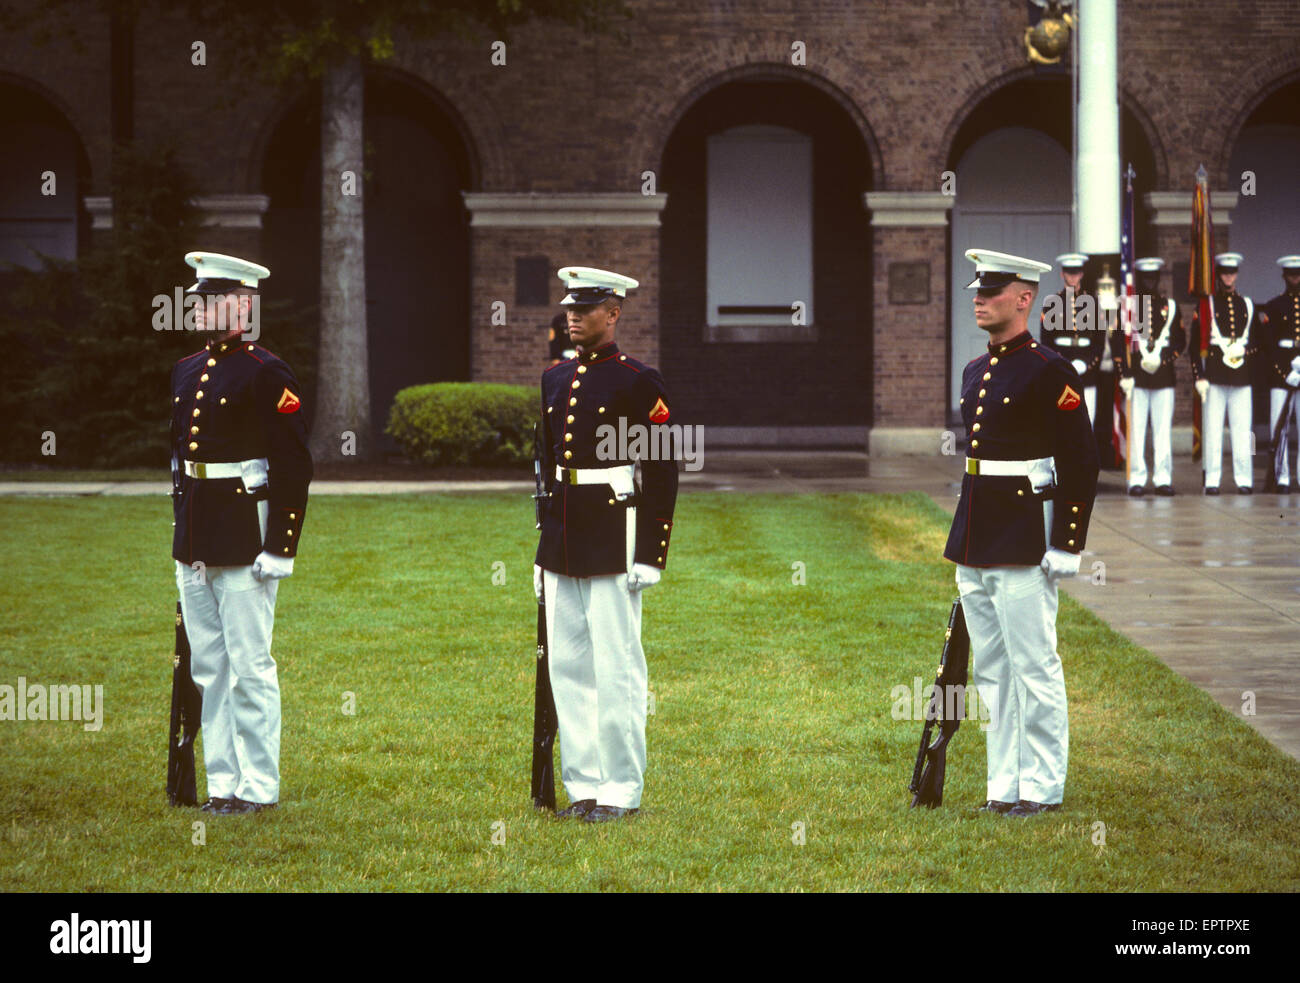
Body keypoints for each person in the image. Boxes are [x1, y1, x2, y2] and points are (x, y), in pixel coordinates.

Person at [945, 248, 1099, 818]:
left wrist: (1067, 541)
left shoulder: (1049, 371)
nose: (980, 299)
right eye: (977, 291)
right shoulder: (975, 369)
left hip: (1024, 533)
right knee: (991, 668)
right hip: (977, 530)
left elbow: (1081, 460)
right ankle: (1003, 783)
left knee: (1033, 664)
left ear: (1024, 298)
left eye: (992, 290)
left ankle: (1042, 785)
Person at [532, 266, 678, 823]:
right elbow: (547, 469)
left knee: (616, 665)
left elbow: (662, 471)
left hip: (615, 531)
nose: (572, 315)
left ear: (613, 313)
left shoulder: (639, 381)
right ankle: (584, 785)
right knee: (569, 665)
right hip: (563, 534)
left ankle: (620, 788)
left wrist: (651, 554)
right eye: (569, 306)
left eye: (586, 307)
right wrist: (542, 547)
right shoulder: (553, 378)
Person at [171, 251, 312, 815]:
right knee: (209, 665)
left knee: (249, 665)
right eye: (197, 298)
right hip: (198, 529)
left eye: (212, 298)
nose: (199, 307)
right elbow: (178, 456)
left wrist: (280, 545)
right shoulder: (186, 369)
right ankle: (222, 784)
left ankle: (258, 787)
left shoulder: (267, 371)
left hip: (244, 529)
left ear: (244, 304)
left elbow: (293, 464)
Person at [1114, 257, 1186, 496]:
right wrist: (1123, 373)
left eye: (1153, 278)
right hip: (1136, 378)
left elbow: (1179, 341)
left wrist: (1163, 359)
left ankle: (1163, 478)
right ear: (1140, 280)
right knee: (1136, 431)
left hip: (1163, 377)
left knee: (1162, 430)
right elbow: (1117, 342)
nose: (1150, 282)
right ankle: (1137, 478)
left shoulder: (1171, 307)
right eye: (1145, 278)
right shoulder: (1128, 308)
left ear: (1158, 279)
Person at [1190, 252, 1260, 494]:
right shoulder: (1207, 305)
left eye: (1232, 272)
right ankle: (1212, 480)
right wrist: (1199, 375)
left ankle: (1245, 479)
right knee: (1213, 430)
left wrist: (1245, 349)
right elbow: (1195, 345)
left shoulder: (1247, 305)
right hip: (1216, 377)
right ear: (1218, 275)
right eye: (1224, 273)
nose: (1228, 277)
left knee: (1245, 432)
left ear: (1237, 275)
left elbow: (1258, 343)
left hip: (1242, 378)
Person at [1040, 252, 1105, 424]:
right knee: (1063, 422)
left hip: (1087, 370)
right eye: (1069, 273)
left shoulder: (1093, 303)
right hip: (1062, 369)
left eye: (1076, 273)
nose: (1073, 277)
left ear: (1082, 274)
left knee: (1087, 421)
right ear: (1062, 274)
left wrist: (1087, 363)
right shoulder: (1052, 303)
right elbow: (1046, 341)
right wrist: (1061, 364)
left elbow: (1099, 341)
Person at [1259, 255, 1300, 491]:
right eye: (1291, 274)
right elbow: (1269, 344)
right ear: (1284, 276)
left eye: (1298, 274)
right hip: (1281, 372)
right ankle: (1281, 476)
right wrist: (1284, 372)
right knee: (1279, 428)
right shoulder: (1274, 306)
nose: (1295, 278)